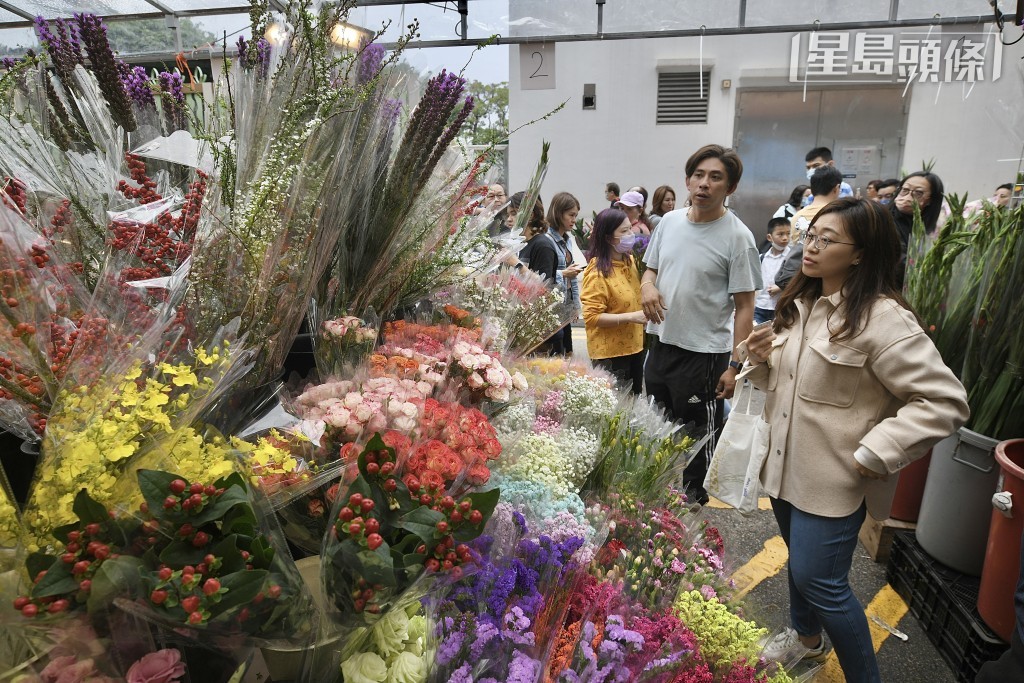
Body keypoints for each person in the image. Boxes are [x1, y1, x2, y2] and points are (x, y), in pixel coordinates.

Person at [743, 198, 969, 683]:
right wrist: (758, 360)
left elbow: (944, 400)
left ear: (861, 253)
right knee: (801, 568)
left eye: (827, 239)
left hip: (834, 480)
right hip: (784, 469)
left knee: (822, 583)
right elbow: (784, 382)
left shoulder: (882, 318)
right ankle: (806, 642)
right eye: (811, 235)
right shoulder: (802, 303)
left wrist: (878, 451)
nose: (811, 246)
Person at [640, 144, 761, 505]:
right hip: (661, 345)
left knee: (699, 433)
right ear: (688, 180)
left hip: (705, 355)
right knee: (657, 427)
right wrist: (647, 286)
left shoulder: (739, 238)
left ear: (730, 188)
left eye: (715, 177)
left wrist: (736, 367)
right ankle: (656, 492)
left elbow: (745, 307)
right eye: (698, 175)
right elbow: (651, 268)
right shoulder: (669, 223)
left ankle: (693, 503)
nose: (704, 184)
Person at [581, 208, 647, 393]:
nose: (630, 235)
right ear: (609, 238)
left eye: (630, 229)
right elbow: (592, 317)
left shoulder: (631, 263)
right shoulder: (597, 273)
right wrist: (631, 317)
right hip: (609, 355)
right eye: (623, 231)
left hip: (635, 348)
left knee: (632, 406)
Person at [545, 192, 585, 355]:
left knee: (568, 353)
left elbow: (573, 277)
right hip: (554, 305)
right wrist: (564, 273)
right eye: (571, 215)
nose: (574, 220)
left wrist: (575, 306)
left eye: (576, 215)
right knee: (557, 353)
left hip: (565, 303)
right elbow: (544, 275)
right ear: (558, 213)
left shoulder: (568, 239)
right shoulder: (547, 240)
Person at [890, 171, 944, 283]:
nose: (908, 197)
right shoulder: (884, 218)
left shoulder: (932, 225)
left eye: (918, 193)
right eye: (905, 190)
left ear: (930, 200)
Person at [510, 192, 557, 282]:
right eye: (508, 214)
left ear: (530, 215)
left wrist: (517, 264)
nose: (509, 219)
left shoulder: (543, 245)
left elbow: (544, 285)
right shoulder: (521, 243)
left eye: (514, 213)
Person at [754, 217, 792, 324]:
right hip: (761, 306)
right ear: (769, 237)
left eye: (788, 233)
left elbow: (797, 279)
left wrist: (781, 287)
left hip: (782, 307)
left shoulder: (792, 258)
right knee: (759, 336)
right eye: (780, 234)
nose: (785, 238)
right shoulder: (762, 258)